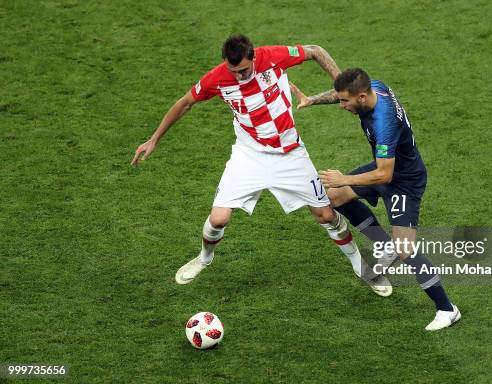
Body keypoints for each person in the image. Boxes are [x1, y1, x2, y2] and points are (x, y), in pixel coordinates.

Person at [131, 35, 391, 296]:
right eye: (234, 71)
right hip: (249, 156)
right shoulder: (217, 78)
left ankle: (362, 268)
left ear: (253, 57)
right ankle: (204, 258)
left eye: (244, 70)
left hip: (290, 154)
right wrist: (154, 139)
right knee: (218, 219)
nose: (240, 76)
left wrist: (340, 88)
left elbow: (315, 50)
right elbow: (185, 102)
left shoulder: (273, 57)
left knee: (326, 215)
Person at [290, 68, 461, 330]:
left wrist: (344, 179)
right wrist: (312, 99)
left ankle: (447, 309)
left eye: (345, 101)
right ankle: (384, 245)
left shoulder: (384, 123)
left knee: (406, 249)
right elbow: (342, 93)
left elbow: (384, 174)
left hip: (403, 182)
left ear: (360, 97)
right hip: (385, 169)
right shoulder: (375, 86)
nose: (341, 105)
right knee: (334, 198)